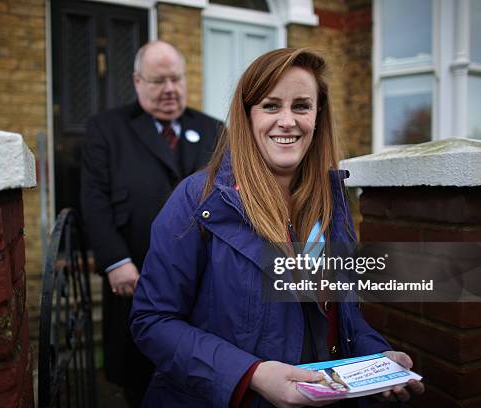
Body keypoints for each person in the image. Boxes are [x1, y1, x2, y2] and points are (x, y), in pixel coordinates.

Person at [130, 48, 425, 407]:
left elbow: (340, 317)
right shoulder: (197, 201)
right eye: (271, 106)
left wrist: (377, 359)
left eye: (301, 106)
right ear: (248, 116)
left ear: (318, 117)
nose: (287, 120)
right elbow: (152, 321)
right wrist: (250, 374)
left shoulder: (331, 204)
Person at [81, 40, 222, 407]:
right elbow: (93, 201)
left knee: (203, 370)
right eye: (158, 81)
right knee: (140, 377)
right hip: (135, 275)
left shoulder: (214, 129)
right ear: (137, 81)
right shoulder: (106, 130)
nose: (170, 90)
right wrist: (114, 261)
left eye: (176, 79)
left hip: (207, 280)